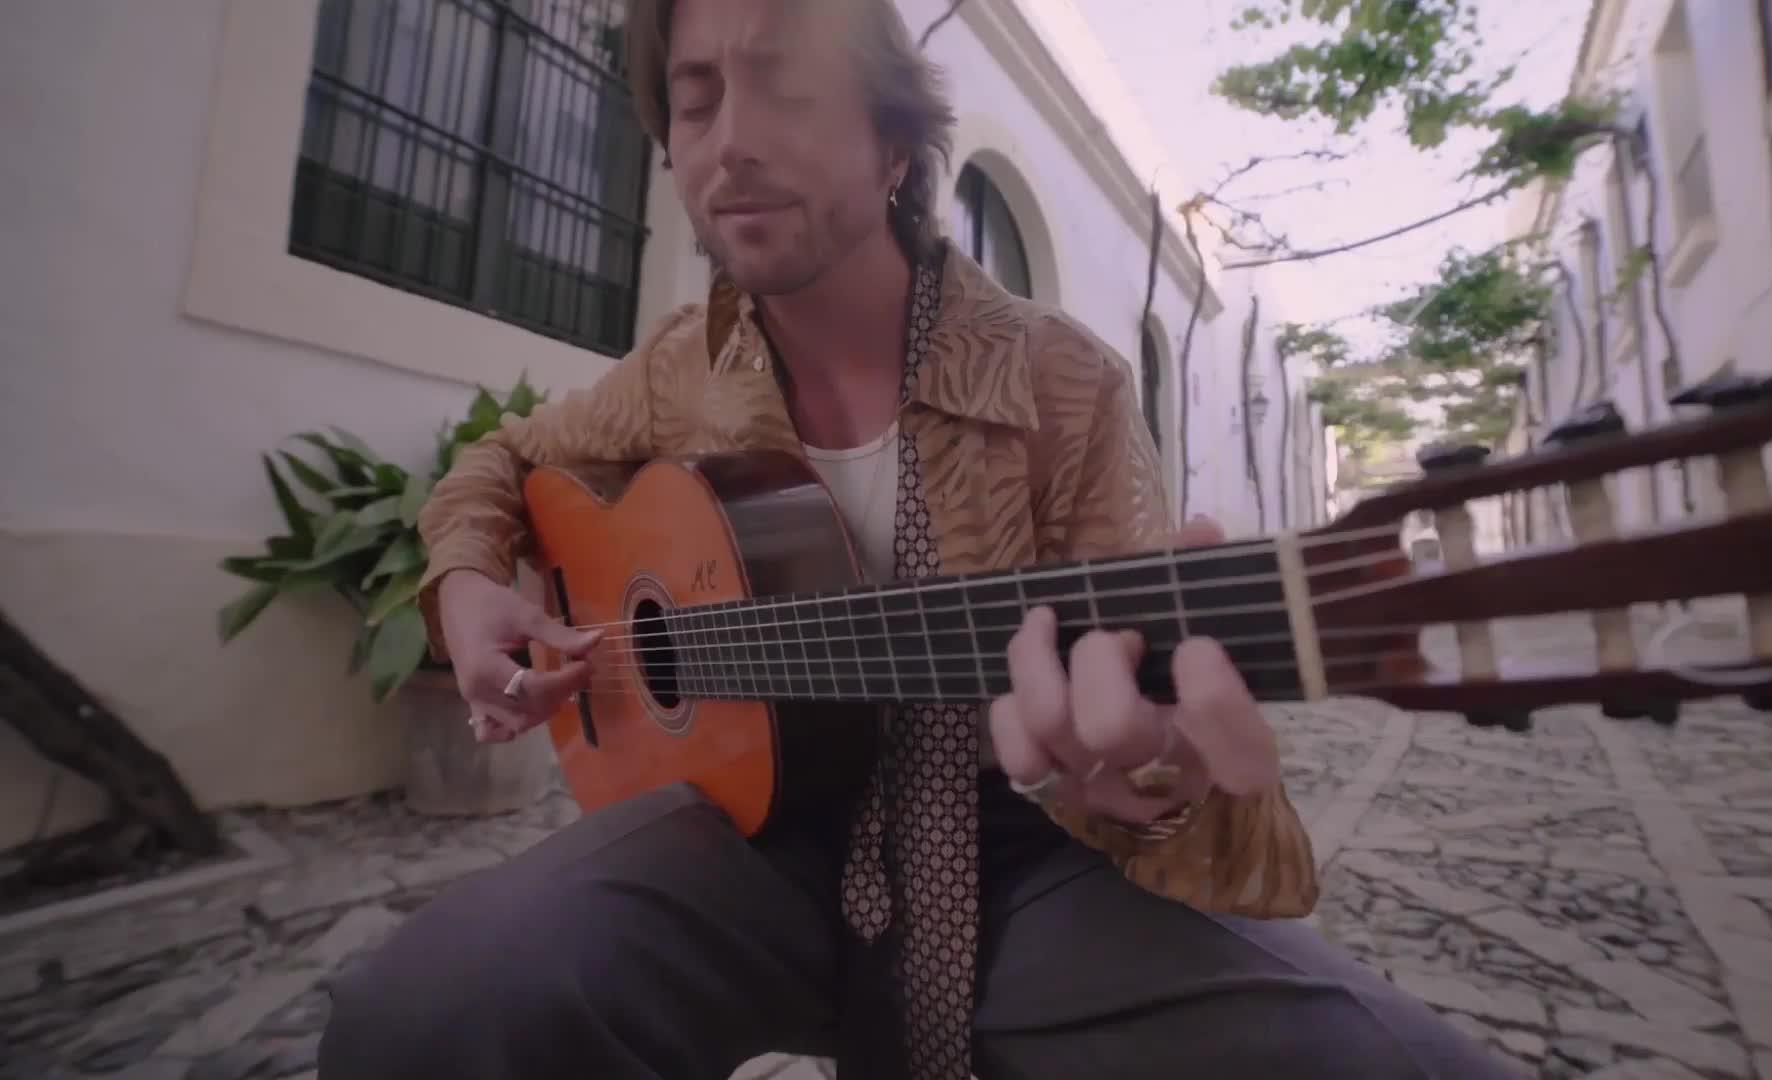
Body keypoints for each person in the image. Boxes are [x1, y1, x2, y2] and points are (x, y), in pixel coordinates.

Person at [315, 1, 1521, 1077]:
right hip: (744, 837)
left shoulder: (1064, 385)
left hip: (1022, 851)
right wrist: (466, 578)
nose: (732, 141)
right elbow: (504, 458)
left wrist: (1153, 779)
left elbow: (1168, 770)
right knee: (422, 1016)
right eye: (695, 100)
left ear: (894, 145)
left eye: (785, 87)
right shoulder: (681, 367)